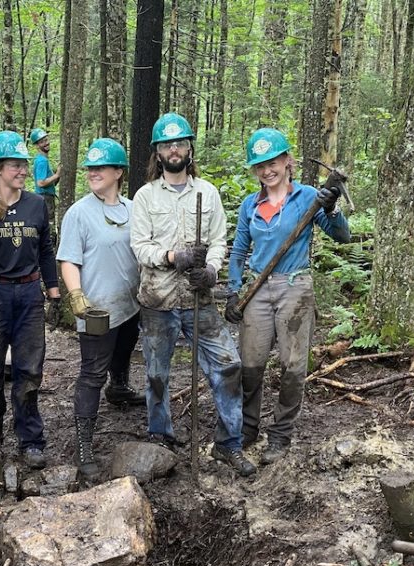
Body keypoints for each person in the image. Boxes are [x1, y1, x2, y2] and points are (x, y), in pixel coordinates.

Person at [130, 112, 256, 477]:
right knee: (156, 375)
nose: (174, 149)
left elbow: (219, 241)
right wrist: (172, 257)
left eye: (180, 143)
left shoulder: (208, 193)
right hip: (158, 299)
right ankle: (161, 436)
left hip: (198, 299)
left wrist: (212, 270)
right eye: (167, 144)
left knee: (228, 367)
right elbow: (139, 246)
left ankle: (228, 444)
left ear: (189, 148)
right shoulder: (144, 196)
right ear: (157, 151)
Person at [225, 128, 350, 465]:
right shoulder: (250, 205)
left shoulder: (308, 196)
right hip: (257, 289)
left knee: (293, 365)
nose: (268, 170)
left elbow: (341, 236)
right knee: (250, 362)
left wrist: (333, 206)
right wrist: (233, 292)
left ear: (288, 161)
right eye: (260, 165)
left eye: (274, 162)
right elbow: (238, 251)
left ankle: (280, 434)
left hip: (295, 286)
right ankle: (248, 428)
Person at [0, 130, 60, 470]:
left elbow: (45, 249)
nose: (22, 171)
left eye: (24, 165)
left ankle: (31, 439)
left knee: (29, 370)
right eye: (16, 165)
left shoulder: (36, 205)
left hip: (30, 295)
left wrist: (54, 289)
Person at [56, 138, 143, 482]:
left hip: (130, 303)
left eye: (100, 167)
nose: (93, 173)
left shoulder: (134, 208)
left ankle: (119, 387)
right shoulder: (79, 213)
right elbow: (68, 259)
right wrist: (76, 295)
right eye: (90, 168)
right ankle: (84, 443)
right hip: (96, 310)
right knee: (92, 373)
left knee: (124, 351)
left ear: (118, 172)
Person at [30, 128, 60, 233]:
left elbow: (49, 183)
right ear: (37, 146)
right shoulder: (42, 161)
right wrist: (56, 175)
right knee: (49, 225)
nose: (46, 143)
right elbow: (41, 183)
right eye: (42, 142)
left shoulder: (43, 160)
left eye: (46, 140)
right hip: (45, 197)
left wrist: (57, 176)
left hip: (47, 196)